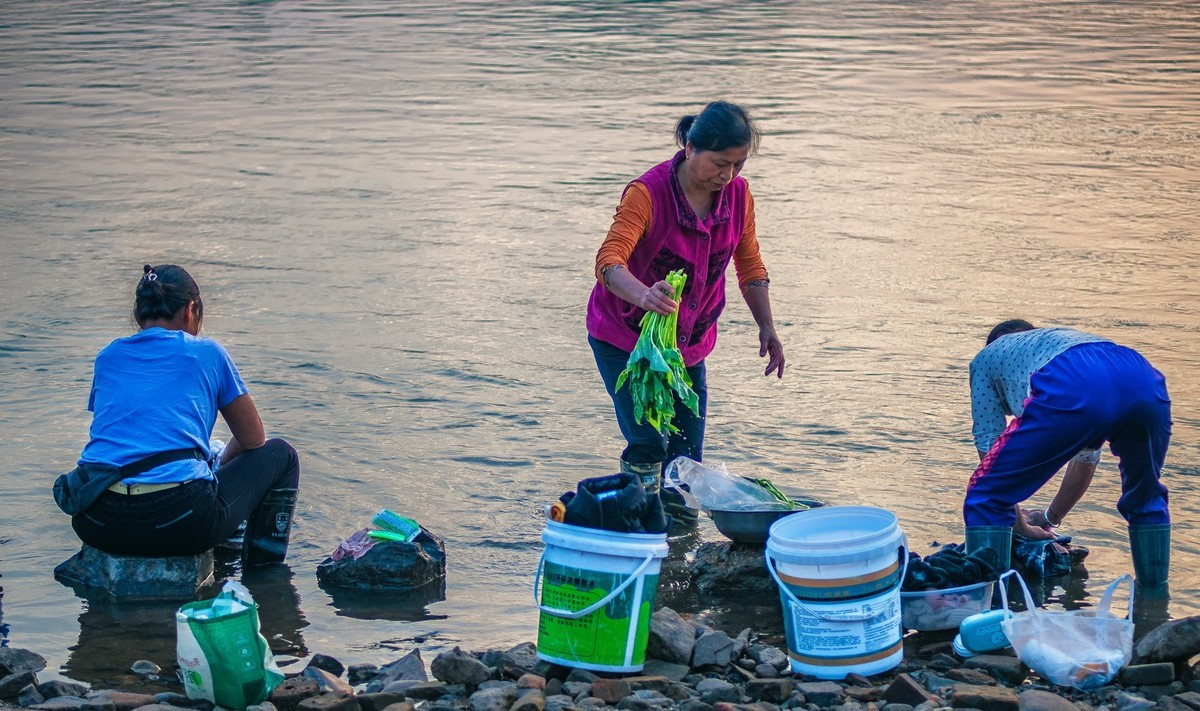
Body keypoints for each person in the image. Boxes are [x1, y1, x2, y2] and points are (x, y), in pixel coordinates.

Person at [586, 100, 785, 520]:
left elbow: (749, 264)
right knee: (647, 443)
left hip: (688, 344)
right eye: (719, 163)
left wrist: (767, 326)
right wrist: (643, 295)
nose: (727, 175)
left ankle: (680, 539)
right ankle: (639, 527)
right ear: (690, 147)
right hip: (624, 337)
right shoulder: (647, 194)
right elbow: (609, 262)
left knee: (686, 453)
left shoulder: (738, 197)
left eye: (738, 164)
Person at [68, 264, 300, 566]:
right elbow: (253, 439)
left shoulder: (108, 356)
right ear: (191, 310)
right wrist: (219, 467)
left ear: (138, 315)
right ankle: (264, 575)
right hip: (179, 522)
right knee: (282, 455)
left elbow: (121, 432)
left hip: (97, 522)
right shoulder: (207, 353)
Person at [962, 319, 1172, 589]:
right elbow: (1084, 462)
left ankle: (990, 616)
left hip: (1073, 378)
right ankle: (1155, 606)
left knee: (985, 495)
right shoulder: (1054, 344)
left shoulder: (986, 358)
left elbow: (989, 446)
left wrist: (1022, 528)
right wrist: (1049, 519)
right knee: (1145, 498)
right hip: (1140, 374)